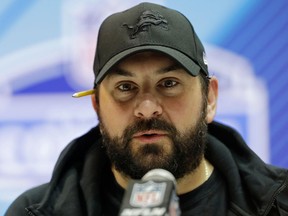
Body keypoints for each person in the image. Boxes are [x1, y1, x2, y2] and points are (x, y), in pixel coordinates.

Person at [5, 2, 288, 216]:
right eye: (125, 88)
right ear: (97, 107)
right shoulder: (35, 212)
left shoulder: (280, 203)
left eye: (168, 83)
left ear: (210, 99)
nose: (147, 109)